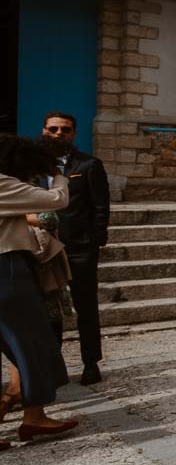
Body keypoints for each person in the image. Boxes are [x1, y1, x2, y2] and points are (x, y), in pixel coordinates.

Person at [0, 135, 81, 447]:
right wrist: (59, 175)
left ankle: (29, 412)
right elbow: (56, 201)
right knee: (32, 343)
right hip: (6, 268)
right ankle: (34, 417)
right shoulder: (5, 184)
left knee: (22, 346)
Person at [40, 112, 108, 386]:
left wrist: (95, 241)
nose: (58, 134)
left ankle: (91, 363)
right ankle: (53, 365)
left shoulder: (89, 165)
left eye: (65, 129)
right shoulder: (31, 166)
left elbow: (101, 207)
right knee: (48, 309)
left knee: (86, 307)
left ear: (74, 133)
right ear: (44, 131)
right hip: (43, 250)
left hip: (79, 248)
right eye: (53, 129)